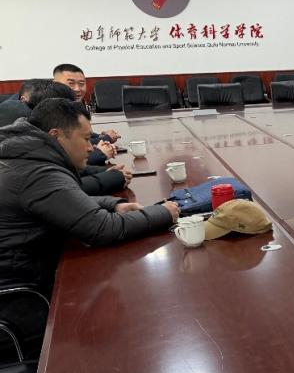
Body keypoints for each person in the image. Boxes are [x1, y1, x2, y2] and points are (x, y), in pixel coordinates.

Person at [0, 98, 178, 298]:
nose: (91, 148)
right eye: (86, 139)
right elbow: (102, 228)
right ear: (56, 136)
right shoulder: (38, 172)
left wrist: (113, 204)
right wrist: (163, 212)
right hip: (18, 290)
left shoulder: (26, 156)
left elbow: (64, 200)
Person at [25, 80, 133, 195]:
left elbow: (71, 168)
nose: (90, 148)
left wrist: (107, 171)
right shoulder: (29, 160)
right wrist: (112, 177)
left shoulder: (35, 140)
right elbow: (64, 189)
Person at [53, 64, 121, 163]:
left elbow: (78, 135)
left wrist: (99, 137)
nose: (77, 89)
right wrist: (104, 144)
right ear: (55, 84)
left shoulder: (72, 107)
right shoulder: (51, 111)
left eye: (81, 84)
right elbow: (70, 151)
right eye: (71, 83)